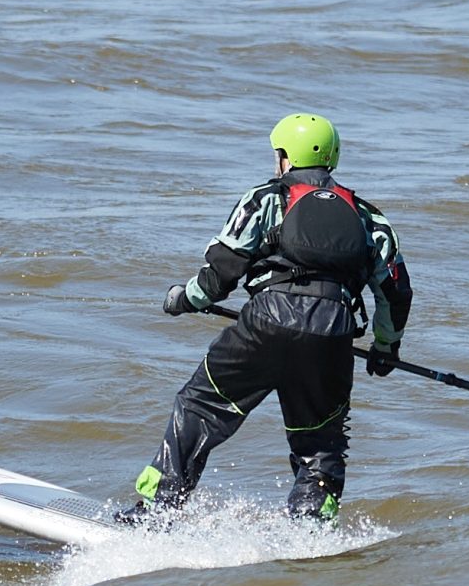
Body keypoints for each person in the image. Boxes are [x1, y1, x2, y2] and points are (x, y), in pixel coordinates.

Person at [127, 113, 413, 524]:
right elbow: (395, 292)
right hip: (331, 335)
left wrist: (183, 300)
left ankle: (156, 513)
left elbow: (219, 275)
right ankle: (309, 534)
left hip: (264, 325)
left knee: (199, 407)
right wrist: (385, 349)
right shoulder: (369, 218)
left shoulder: (264, 199)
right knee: (320, 446)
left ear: (284, 158)